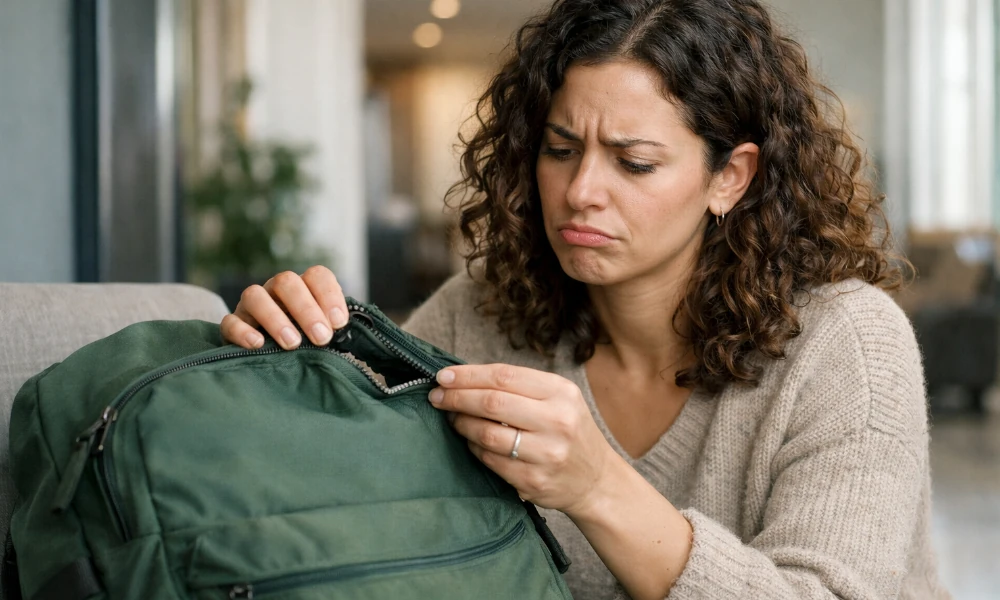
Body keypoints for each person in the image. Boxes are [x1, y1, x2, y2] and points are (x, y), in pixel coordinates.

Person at [220, 1, 949, 598]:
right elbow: (332, 507)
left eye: (634, 162)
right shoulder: (479, 313)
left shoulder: (846, 344)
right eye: (560, 150)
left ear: (732, 176)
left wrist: (599, 487)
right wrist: (275, 370)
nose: (580, 192)